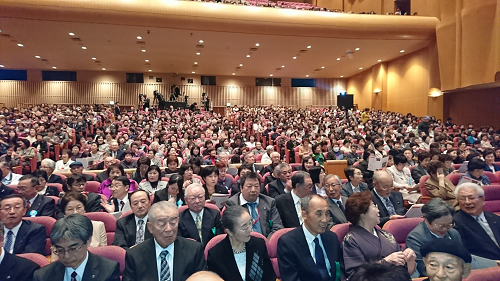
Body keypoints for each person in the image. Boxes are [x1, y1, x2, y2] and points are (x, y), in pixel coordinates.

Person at [122, 201, 206, 281]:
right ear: (150, 227)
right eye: (162, 224)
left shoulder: (194, 250)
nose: (169, 229)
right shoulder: (134, 255)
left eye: (173, 222)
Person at [343, 191, 416, 277]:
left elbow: (406, 272)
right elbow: (355, 275)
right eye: (374, 206)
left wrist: (410, 260)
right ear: (362, 212)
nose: (378, 210)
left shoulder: (386, 235)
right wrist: (385, 262)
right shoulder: (351, 239)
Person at [33, 214, 120, 281]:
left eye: (73, 248)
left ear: (88, 241)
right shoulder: (42, 276)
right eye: (60, 250)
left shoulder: (108, 269)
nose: (66, 256)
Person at [278, 194, 343, 281]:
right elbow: (291, 278)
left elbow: (341, 271)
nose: (325, 219)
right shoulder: (287, 243)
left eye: (327, 213)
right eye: (319, 214)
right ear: (304, 215)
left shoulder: (332, 238)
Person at [207, 205, 276, 281]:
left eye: (250, 223)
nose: (250, 229)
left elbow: (269, 276)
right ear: (229, 231)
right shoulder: (215, 253)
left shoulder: (259, 244)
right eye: (244, 227)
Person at [406, 198, 461, 277]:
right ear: (427, 221)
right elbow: (424, 270)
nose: (445, 229)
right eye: (441, 226)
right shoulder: (415, 238)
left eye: (449, 224)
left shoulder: (453, 233)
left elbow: (463, 258)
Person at [225, 171, 283, 239]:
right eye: (249, 186)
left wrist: (266, 243)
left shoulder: (269, 202)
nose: (253, 190)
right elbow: (233, 230)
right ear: (241, 188)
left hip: (266, 242)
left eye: (256, 186)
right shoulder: (232, 204)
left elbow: (278, 227)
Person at [453, 183, 500, 260]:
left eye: (471, 198)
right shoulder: (456, 222)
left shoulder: (494, 217)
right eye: (462, 198)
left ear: (482, 199)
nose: (467, 202)